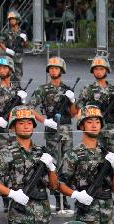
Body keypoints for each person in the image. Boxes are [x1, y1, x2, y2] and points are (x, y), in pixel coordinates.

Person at [30, 56, 78, 215]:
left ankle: (66, 196)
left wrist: (72, 101)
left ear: (61, 70)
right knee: (54, 164)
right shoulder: (42, 89)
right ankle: (58, 199)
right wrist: (44, 121)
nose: (53, 70)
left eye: (56, 68)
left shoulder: (68, 89)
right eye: (51, 68)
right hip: (51, 129)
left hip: (66, 129)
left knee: (67, 163)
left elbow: (74, 114)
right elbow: (30, 108)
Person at [77, 56, 114, 154]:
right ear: (93, 71)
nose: (99, 71)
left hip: (111, 130)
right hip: (94, 130)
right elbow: (80, 109)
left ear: (107, 70)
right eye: (96, 69)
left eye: (101, 69)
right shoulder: (87, 89)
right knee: (95, 157)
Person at [0, 10, 27, 83]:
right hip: (9, 57)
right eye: (10, 19)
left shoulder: (22, 32)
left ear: (17, 20)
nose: (12, 21)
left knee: (18, 77)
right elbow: (0, 42)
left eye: (13, 19)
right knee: (8, 76)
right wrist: (6, 49)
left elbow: (26, 45)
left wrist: (25, 39)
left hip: (19, 58)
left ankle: (17, 91)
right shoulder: (6, 32)